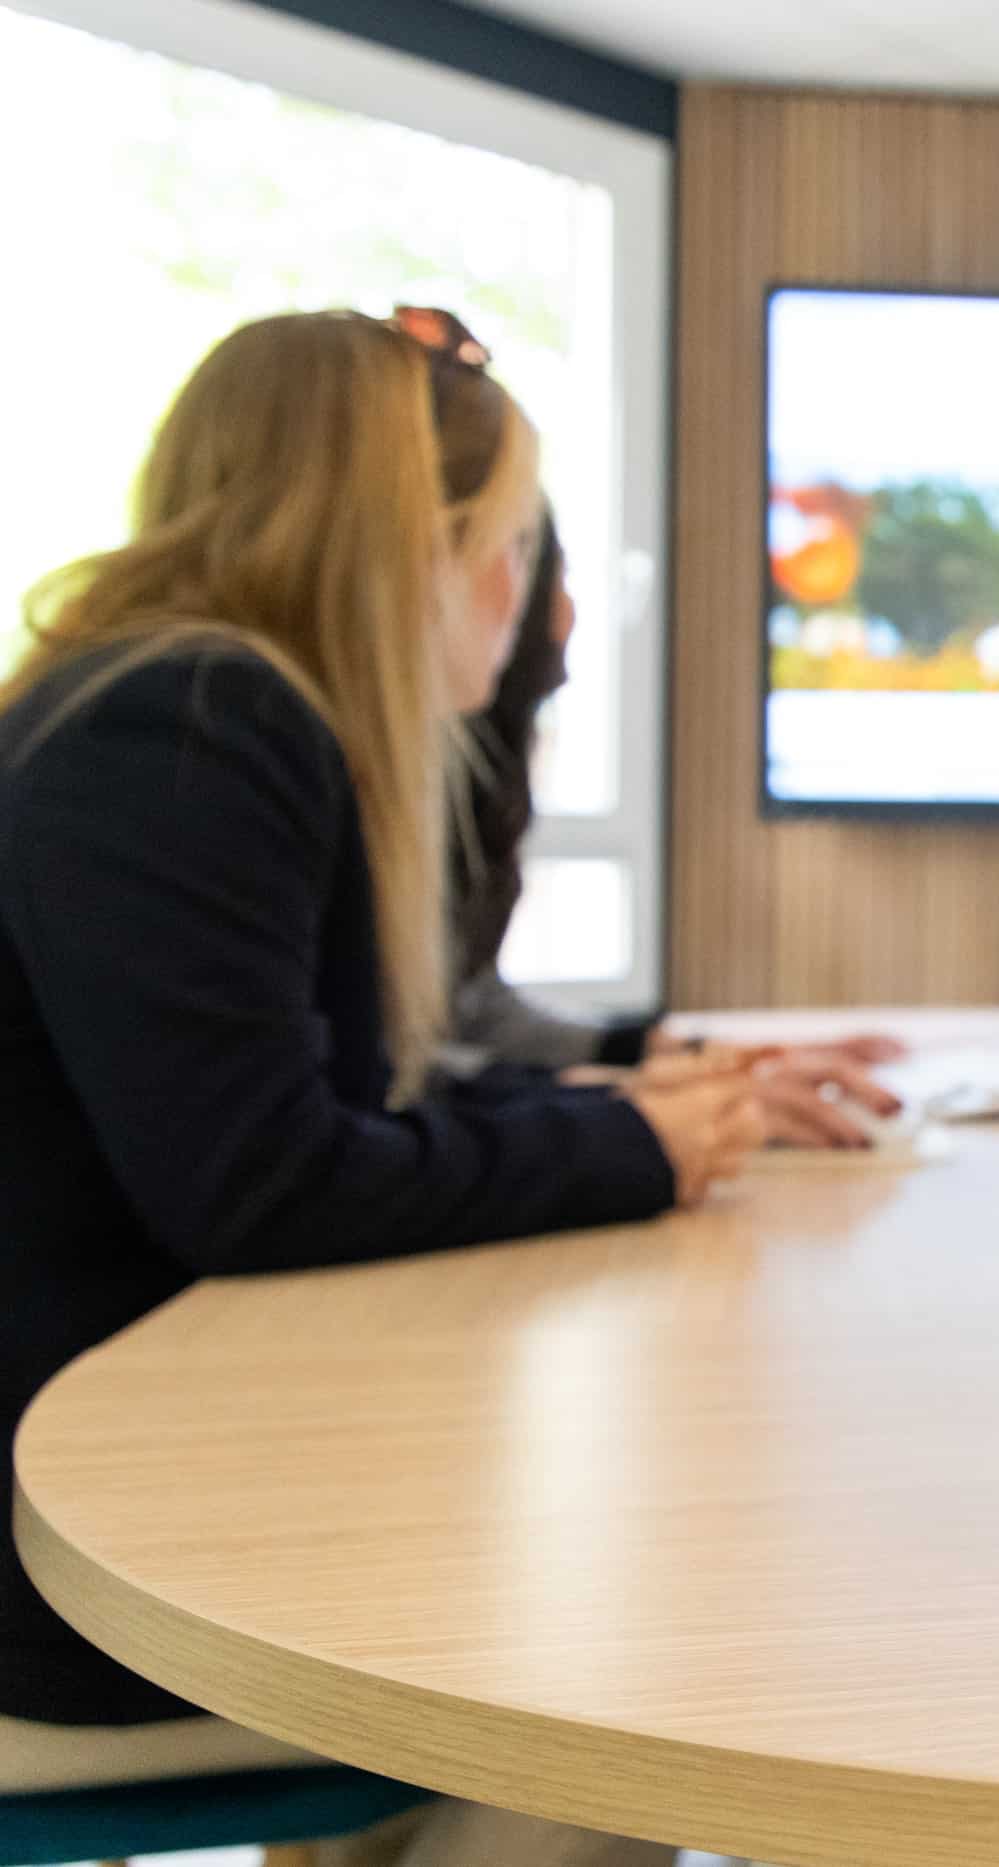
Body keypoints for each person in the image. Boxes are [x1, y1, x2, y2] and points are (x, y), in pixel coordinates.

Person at [0, 309, 755, 1864]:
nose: (531, 592)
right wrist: (626, 1143)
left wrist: (626, 1118)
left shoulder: (169, 702)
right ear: (422, 536)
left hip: (103, 1499)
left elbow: (346, 1111)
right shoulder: (194, 720)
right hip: (54, 1597)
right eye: (516, 537)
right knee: (660, 1677)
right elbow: (270, 1179)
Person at [447, 485, 900, 1149]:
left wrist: (694, 1056)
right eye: (547, 573)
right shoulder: (329, 760)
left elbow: (467, 1010)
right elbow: (384, 1082)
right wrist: (636, 1107)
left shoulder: (471, 771)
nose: (568, 616)